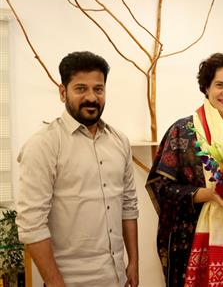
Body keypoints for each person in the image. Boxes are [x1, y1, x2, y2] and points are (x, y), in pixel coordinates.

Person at [16, 51, 139, 287]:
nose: (91, 97)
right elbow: (31, 223)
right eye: (81, 88)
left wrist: (133, 263)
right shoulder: (43, 145)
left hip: (118, 277)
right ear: (63, 92)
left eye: (98, 89)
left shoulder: (119, 141)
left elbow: (128, 205)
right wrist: (54, 283)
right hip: (70, 281)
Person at [146, 52, 223, 286]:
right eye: (219, 85)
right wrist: (208, 195)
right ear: (207, 87)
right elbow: (160, 186)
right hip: (191, 242)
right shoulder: (183, 130)